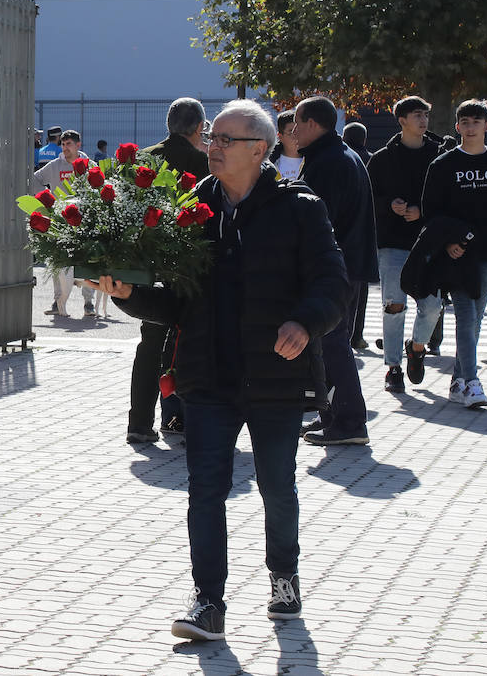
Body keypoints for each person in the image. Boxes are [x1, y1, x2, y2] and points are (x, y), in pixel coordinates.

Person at [96, 99, 347, 642]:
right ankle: (208, 599)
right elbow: (177, 303)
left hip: (274, 377)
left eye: (223, 140)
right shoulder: (192, 208)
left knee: (277, 486)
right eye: (211, 137)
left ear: (260, 149)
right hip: (206, 378)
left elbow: (333, 287)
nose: (211, 147)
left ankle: (284, 577)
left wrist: (304, 323)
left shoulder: (301, 208)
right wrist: (130, 295)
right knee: (205, 490)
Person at [421, 99, 487, 409]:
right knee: (465, 314)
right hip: (455, 252)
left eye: (476, 121)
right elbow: (431, 210)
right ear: (457, 126)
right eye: (465, 121)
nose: (470, 126)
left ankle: (458, 380)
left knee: (476, 316)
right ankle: (472, 382)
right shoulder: (443, 165)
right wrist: (446, 242)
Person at [294, 96, 377, 446]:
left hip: (335, 266)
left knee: (333, 342)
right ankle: (333, 416)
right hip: (346, 263)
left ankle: (348, 422)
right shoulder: (340, 155)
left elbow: (317, 221)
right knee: (328, 342)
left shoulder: (328, 162)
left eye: (297, 123)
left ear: (313, 124)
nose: (293, 130)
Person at [126, 98, 208, 443]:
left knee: (150, 340)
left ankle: (139, 423)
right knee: (187, 339)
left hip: (148, 262)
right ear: (200, 128)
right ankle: (185, 420)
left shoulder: (144, 159)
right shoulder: (203, 163)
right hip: (188, 263)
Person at [366, 96, 442, 393]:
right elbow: (369, 198)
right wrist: (390, 205)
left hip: (427, 242)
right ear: (402, 120)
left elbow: (447, 197)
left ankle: (417, 348)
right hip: (392, 242)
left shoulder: (438, 155)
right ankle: (393, 367)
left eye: (425, 115)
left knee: (433, 306)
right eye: (416, 115)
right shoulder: (382, 158)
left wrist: (422, 211)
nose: (423, 121)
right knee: (394, 306)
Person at [32, 129, 97, 317]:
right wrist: (46, 198)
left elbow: (99, 185)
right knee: (58, 261)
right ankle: (57, 301)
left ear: (78, 145)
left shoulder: (89, 164)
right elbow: (35, 179)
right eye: (63, 144)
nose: (65, 147)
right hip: (59, 221)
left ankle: (88, 302)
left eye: (69, 144)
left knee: (87, 261)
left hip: (82, 221)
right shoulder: (54, 166)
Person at [343, 121, 373, 349]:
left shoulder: (344, 159)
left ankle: (349, 335)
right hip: (364, 235)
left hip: (345, 237)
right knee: (360, 294)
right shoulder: (369, 159)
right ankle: (357, 335)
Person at [269, 111, 303, 181]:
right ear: (280, 137)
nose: (296, 136)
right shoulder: (270, 164)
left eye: (299, 130)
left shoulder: (314, 160)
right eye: (291, 132)